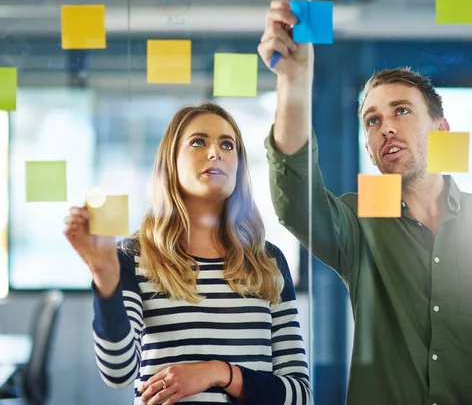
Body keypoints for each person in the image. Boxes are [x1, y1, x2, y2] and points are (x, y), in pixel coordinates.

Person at [257, 0, 472, 405]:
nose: (386, 127)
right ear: (370, 149)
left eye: (401, 111)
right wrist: (293, 81)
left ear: (441, 129)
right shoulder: (360, 221)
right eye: (372, 121)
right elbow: (294, 198)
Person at [63, 102, 311, 405]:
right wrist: (105, 276)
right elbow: (118, 372)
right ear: (171, 162)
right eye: (198, 142)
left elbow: (299, 395)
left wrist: (219, 373)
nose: (215, 152)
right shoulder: (133, 257)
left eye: (227, 144)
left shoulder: (268, 261)